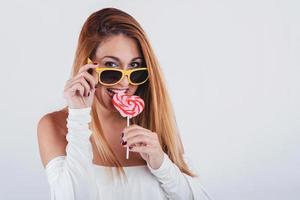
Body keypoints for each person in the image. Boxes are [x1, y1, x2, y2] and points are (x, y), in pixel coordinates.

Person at [37, 7, 212, 200]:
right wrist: (79, 117)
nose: (125, 83)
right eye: (111, 66)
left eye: (135, 67)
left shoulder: (156, 122)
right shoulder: (55, 126)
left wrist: (161, 164)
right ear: (87, 66)